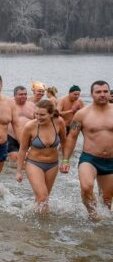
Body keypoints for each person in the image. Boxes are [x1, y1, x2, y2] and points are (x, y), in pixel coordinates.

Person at [61, 80, 113, 220]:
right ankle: (93, 215)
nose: (102, 94)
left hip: (110, 161)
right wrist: (66, 159)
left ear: (109, 93)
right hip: (89, 159)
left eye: (105, 91)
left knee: (107, 200)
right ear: (91, 94)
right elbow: (72, 137)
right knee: (86, 187)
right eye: (98, 92)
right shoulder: (82, 114)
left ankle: (101, 227)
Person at [16, 99, 67, 213]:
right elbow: (23, 149)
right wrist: (19, 171)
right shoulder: (30, 126)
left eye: (42, 115)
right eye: (36, 114)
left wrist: (65, 160)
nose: (38, 117)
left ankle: (35, 220)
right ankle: (45, 227)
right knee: (43, 199)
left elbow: (64, 142)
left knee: (43, 198)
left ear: (51, 114)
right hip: (34, 164)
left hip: (52, 165)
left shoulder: (59, 122)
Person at [8, 86, 35, 161]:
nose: (24, 96)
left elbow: (37, 121)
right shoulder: (8, 105)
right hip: (11, 137)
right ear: (14, 95)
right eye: (21, 94)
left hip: (28, 137)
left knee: (30, 159)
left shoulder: (32, 105)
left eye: (25, 94)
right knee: (15, 160)